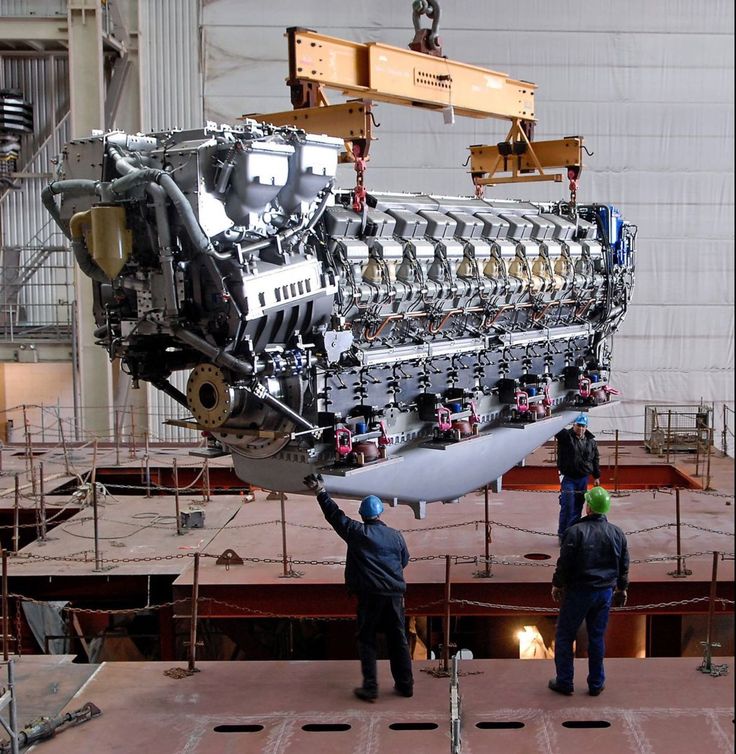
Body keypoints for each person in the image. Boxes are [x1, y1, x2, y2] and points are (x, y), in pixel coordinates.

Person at [303, 473, 414, 702]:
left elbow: (335, 516)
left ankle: (370, 688)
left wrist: (320, 491)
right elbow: (404, 561)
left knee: (367, 639)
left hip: (369, 595)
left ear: (362, 515)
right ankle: (405, 686)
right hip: (394, 595)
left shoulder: (357, 532)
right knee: (398, 639)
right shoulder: (396, 536)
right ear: (380, 514)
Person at [548, 485, 629, 696]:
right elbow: (623, 565)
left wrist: (557, 584)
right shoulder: (617, 533)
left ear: (589, 507)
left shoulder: (575, 532)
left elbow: (564, 564)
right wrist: (622, 589)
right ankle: (596, 683)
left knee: (565, 635)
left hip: (578, 592)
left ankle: (565, 681)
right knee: (597, 637)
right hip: (604, 592)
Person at [555, 413, 601, 541]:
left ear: (586, 427)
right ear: (573, 425)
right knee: (567, 506)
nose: (581, 428)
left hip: (583, 479)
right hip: (568, 478)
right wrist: (560, 415)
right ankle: (563, 534)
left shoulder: (591, 442)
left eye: (583, 426)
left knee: (578, 507)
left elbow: (595, 459)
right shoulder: (566, 438)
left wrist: (596, 476)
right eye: (578, 425)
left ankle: (573, 535)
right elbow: (556, 428)